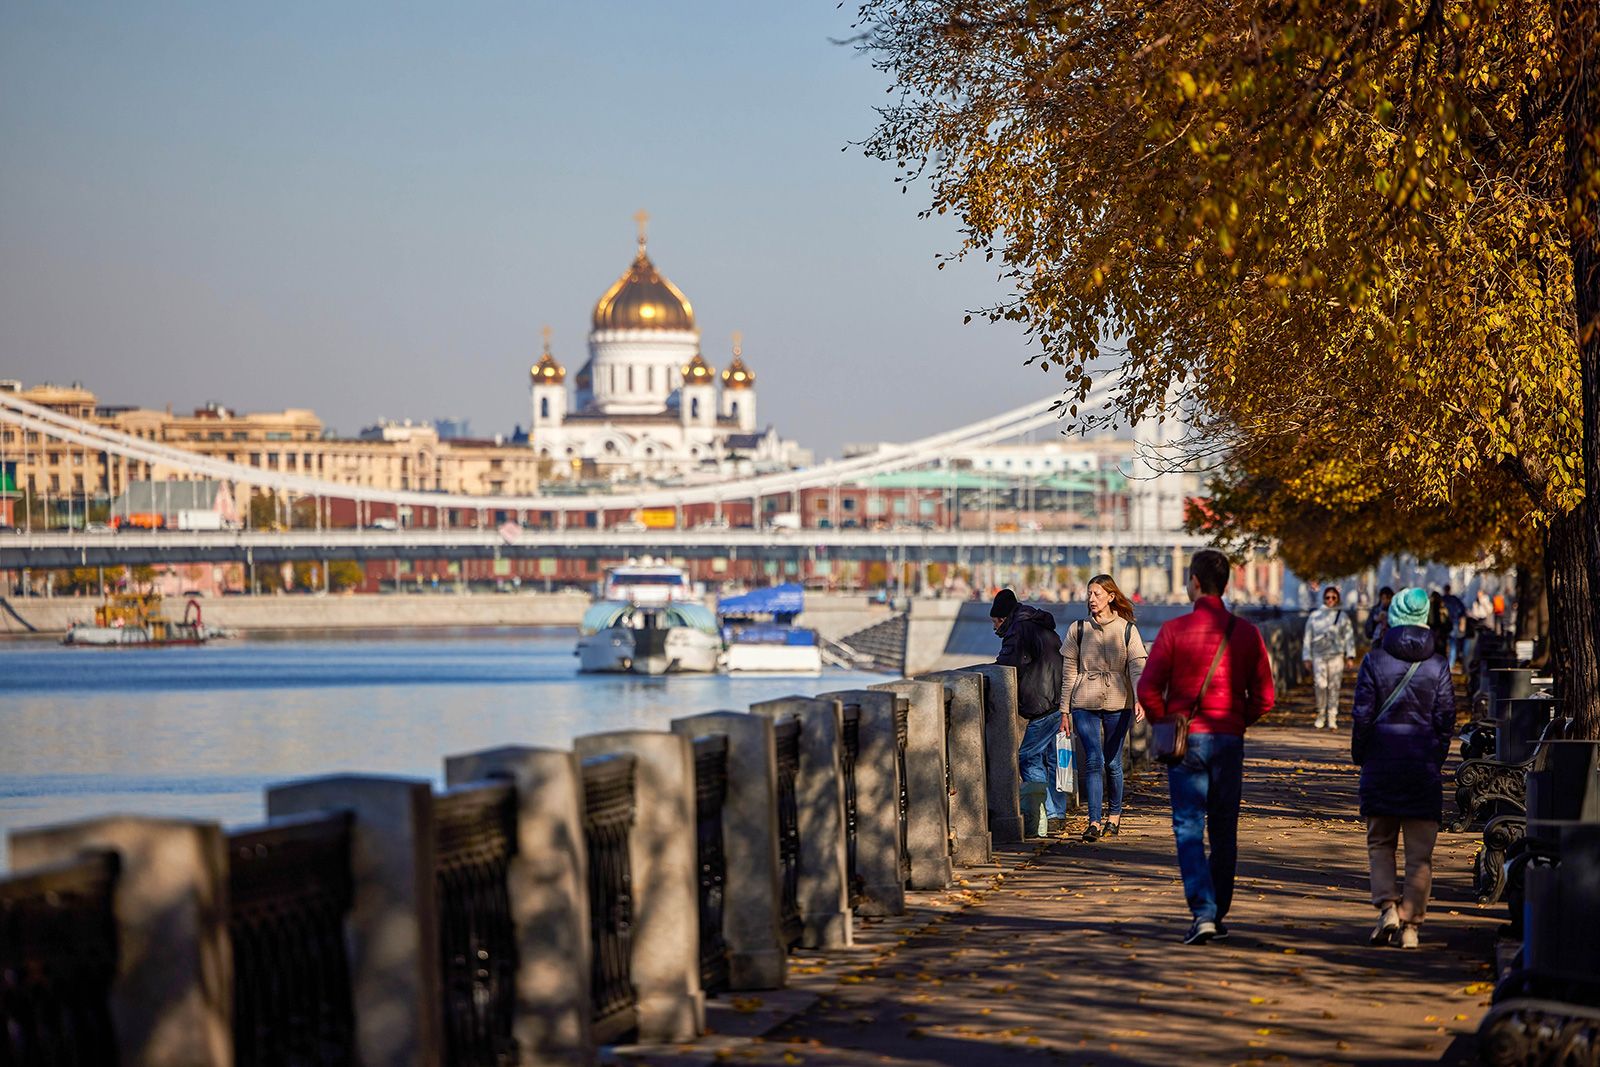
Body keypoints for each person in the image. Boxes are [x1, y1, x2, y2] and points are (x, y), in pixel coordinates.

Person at [1138, 548, 1275, 945]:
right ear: (1227, 585)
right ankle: (1218, 909)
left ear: (1194, 583)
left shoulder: (1173, 631)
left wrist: (1168, 720)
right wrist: (1236, 721)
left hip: (1186, 740)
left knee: (1187, 825)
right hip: (1228, 738)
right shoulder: (1247, 633)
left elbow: (1147, 687)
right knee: (1224, 826)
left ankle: (1203, 912)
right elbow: (1265, 697)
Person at [1351, 586, 1455, 949]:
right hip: (1422, 767)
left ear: (1393, 617)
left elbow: (1362, 715)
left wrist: (1361, 753)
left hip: (1381, 762)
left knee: (1380, 841)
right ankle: (1412, 926)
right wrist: (1434, 757)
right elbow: (1445, 720)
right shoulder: (1438, 665)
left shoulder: (1374, 661)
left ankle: (1387, 907)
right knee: (1420, 854)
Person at [1060, 573, 1148, 841]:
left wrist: (1139, 696)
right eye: (1089, 594)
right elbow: (1068, 674)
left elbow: (1136, 667)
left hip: (1118, 702)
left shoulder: (1127, 629)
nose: (1091, 599)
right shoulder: (1078, 629)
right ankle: (1094, 822)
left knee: (1112, 762)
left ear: (1111, 597)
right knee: (1094, 760)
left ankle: (1115, 816)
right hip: (1083, 701)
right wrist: (1064, 710)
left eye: (1097, 594)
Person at [992, 588, 1065, 833]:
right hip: (1058, 699)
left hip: (1041, 703)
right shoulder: (1040, 623)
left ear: (1002, 617)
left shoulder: (1017, 629)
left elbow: (1006, 665)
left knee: (1028, 757)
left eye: (995, 622)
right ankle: (1057, 812)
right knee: (1052, 758)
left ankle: (1045, 815)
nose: (994, 628)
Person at [1302, 584, 1356, 729]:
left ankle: (1332, 716)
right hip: (1319, 654)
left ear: (1337, 599)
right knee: (1320, 684)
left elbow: (1349, 636)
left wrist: (1350, 656)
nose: (1330, 600)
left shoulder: (1343, 616)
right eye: (1328, 597)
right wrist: (1306, 657)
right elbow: (1307, 636)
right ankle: (1321, 713)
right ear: (1324, 598)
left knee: (1334, 686)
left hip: (1336, 655)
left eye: (1333, 597)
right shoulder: (1315, 616)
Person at [1440, 584, 1468, 673]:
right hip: (1454, 624)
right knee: (1453, 645)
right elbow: (1463, 611)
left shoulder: (1442, 600)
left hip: (1443, 626)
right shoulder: (1455, 599)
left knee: (1444, 645)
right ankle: (1450, 665)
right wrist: (1462, 623)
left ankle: (1444, 664)